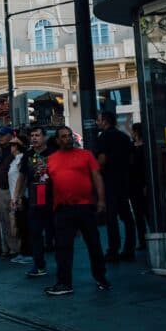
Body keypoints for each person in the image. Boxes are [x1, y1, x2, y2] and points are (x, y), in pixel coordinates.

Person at [45, 126, 110, 296]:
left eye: (69, 136)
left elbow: (97, 177)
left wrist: (101, 200)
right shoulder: (50, 159)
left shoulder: (86, 155)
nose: (68, 139)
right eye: (64, 137)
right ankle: (64, 283)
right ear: (58, 140)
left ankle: (101, 278)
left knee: (94, 244)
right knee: (63, 247)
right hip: (63, 208)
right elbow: (45, 182)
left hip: (85, 206)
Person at [95, 110, 137, 262]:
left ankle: (114, 249)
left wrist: (97, 174)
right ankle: (129, 247)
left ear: (105, 121)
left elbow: (101, 159)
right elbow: (131, 159)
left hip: (110, 181)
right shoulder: (124, 137)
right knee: (127, 216)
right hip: (124, 180)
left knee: (111, 217)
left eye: (99, 120)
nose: (97, 122)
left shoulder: (103, 137)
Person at [14, 126, 53, 278]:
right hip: (34, 200)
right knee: (35, 233)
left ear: (44, 138)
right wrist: (16, 196)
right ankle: (39, 265)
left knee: (55, 233)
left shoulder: (53, 154)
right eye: (32, 135)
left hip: (52, 199)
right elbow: (22, 177)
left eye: (37, 135)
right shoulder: (27, 155)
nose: (34, 138)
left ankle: (62, 264)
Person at [0, 127, 19, 258]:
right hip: (2, 189)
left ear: (10, 136)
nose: (0, 137)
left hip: (11, 189)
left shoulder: (14, 149)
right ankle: (8, 248)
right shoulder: (1, 151)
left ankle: (14, 248)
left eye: (3, 135)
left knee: (12, 221)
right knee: (5, 221)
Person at [7, 136, 32, 265]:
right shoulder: (15, 160)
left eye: (13, 144)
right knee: (20, 226)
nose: (11, 146)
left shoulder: (22, 158)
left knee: (23, 226)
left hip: (21, 198)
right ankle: (23, 252)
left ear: (18, 146)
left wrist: (19, 197)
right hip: (16, 198)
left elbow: (23, 179)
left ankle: (27, 253)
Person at [129, 123, 149, 250]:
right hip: (134, 184)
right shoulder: (131, 146)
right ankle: (142, 240)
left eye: (133, 131)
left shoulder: (145, 147)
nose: (131, 133)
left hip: (142, 183)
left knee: (147, 213)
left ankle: (148, 237)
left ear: (136, 132)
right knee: (138, 214)